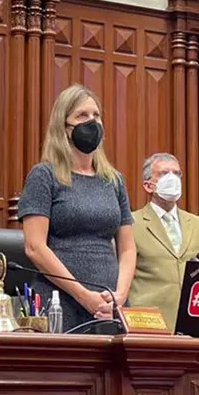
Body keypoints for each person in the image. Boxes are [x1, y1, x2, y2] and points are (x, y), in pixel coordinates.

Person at [18, 85, 136, 333]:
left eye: (96, 115)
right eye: (82, 116)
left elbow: (127, 248)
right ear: (64, 127)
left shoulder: (114, 180)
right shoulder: (44, 176)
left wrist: (120, 296)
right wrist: (83, 295)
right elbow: (34, 247)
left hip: (109, 306)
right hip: (61, 303)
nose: (91, 122)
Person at [129, 153, 199, 332]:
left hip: (193, 324)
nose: (172, 179)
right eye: (164, 173)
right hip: (148, 324)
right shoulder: (130, 224)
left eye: (177, 174)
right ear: (148, 185)